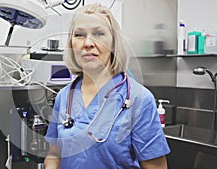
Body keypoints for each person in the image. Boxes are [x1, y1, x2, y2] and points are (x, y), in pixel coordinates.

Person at [44, 3, 170, 169]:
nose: (88, 43)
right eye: (79, 35)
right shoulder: (64, 97)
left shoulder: (139, 99)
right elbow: (54, 155)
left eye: (98, 33)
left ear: (113, 43)